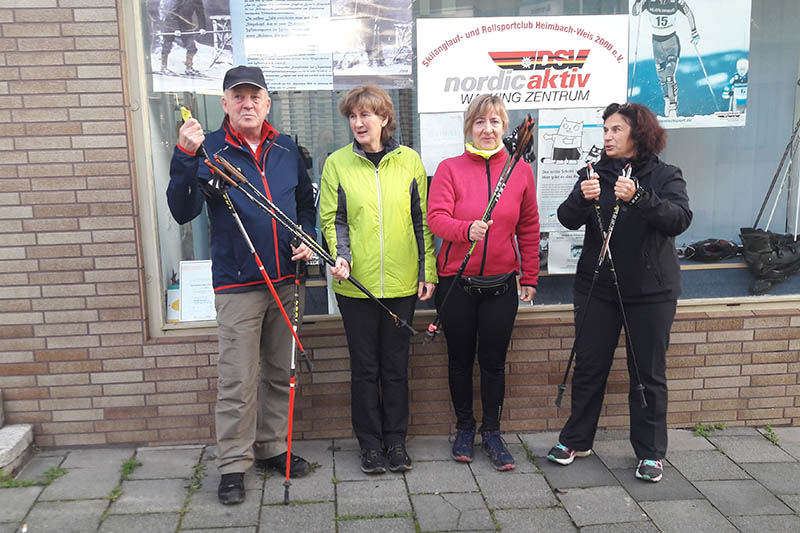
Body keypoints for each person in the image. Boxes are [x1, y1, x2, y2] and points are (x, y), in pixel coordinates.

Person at [167, 65, 316, 505]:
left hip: (287, 283)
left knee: (277, 373)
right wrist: (183, 154)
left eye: (255, 97)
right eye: (239, 97)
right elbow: (181, 209)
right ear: (225, 103)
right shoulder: (207, 148)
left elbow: (306, 205)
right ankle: (233, 465)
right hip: (238, 286)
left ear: (267, 103)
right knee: (237, 378)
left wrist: (308, 239)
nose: (247, 104)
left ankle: (271, 448)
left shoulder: (286, 148)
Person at [547, 102, 692, 483]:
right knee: (590, 365)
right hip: (598, 288)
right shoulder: (593, 173)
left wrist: (640, 198)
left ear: (637, 133)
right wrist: (582, 196)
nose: (607, 136)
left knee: (647, 372)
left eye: (615, 130)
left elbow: (679, 219)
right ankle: (576, 439)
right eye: (605, 129)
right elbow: (565, 218)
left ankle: (649, 453)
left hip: (651, 292)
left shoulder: (664, 175)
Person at [319, 85, 437, 475]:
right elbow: (332, 219)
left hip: (402, 285)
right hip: (355, 287)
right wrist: (342, 257)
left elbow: (422, 222)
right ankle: (370, 445)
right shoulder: (337, 163)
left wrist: (427, 272)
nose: (358, 122)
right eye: (352, 116)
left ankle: (396, 443)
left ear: (384, 119)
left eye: (365, 115)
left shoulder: (409, 162)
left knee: (396, 368)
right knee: (365, 369)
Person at [427, 94, 540, 471]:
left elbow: (528, 226)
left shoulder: (520, 171)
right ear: (469, 128)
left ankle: (492, 432)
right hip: (457, 284)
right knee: (460, 361)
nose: (487, 129)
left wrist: (530, 275)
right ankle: (464, 428)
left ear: (504, 127)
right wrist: (465, 230)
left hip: (501, 286)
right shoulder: (449, 168)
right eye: (479, 122)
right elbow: (436, 218)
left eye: (494, 122)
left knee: (493, 363)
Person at [631, 0, 700, 118]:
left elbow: (688, 13)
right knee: (662, 78)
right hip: (657, 45)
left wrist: (694, 32)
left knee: (669, 75)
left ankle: (673, 107)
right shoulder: (649, 2)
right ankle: (667, 100)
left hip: (671, 42)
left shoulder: (675, 2)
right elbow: (635, 12)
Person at [159, 0, 206, 75]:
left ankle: (189, 67)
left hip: (186, 26)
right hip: (170, 24)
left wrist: (202, 27)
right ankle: (163, 67)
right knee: (167, 46)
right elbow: (171, 14)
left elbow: (200, 13)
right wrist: (176, 29)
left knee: (192, 47)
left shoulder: (197, 1)